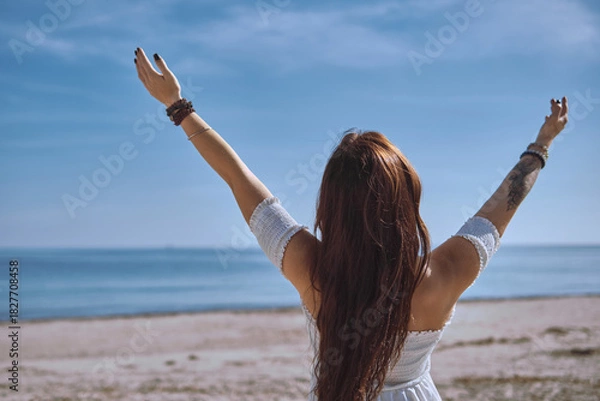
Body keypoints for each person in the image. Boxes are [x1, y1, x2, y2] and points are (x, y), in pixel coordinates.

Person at [134, 47, 569, 401]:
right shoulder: (442, 275)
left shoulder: (311, 268)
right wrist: (541, 144)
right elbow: (504, 203)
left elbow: (238, 178)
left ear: (331, 206)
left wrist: (178, 106)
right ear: (406, 201)